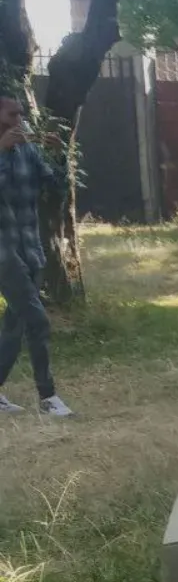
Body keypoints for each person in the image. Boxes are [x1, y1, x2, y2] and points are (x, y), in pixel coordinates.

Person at [0, 93, 73, 416]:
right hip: (3, 252)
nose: (19, 120)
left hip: (30, 249)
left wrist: (59, 156)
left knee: (14, 327)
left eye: (20, 114)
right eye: (12, 115)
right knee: (37, 320)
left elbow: (56, 186)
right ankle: (48, 397)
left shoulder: (28, 149)